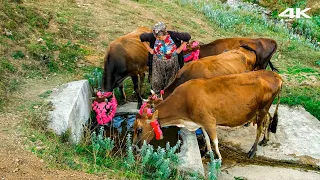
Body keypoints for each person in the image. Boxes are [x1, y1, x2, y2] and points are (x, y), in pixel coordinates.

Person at [140, 22, 191, 94]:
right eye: (156, 37)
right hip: (158, 63)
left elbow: (187, 37)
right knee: (157, 81)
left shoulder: (173, 35)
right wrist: (150, 50)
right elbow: (142, 37)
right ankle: (156, 96)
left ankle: (167, 96)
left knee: (171, 81)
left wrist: (179, 49)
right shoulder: (153, 36)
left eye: (159, 37)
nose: (157, 39)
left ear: (165, 33)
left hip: (172, 62)